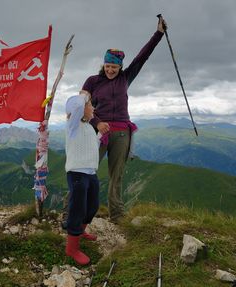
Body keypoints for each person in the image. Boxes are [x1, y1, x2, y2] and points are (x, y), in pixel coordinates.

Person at [81, 17, 167, 223]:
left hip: (121, 133)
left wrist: (159, 34)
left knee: (116, 176)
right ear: (103, 64)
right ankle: (72, 209)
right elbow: (81, 106)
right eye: (108, 66)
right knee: (84, 170)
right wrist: (96, 124)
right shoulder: (92, 81)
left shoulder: (125, 78)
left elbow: (142, 57)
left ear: (120, 68)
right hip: (99, 133)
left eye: (115, 67)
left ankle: (117, 214)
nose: (111, 70)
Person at [64, 93, 100, 265]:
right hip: (77, 173)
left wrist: (101, 135)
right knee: (77, 209)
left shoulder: (88, 127)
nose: (93, 108)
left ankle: (81, 230)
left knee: (92, 206)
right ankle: (71, 249)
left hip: (91, 172)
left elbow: (90, 146)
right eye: (90, 105)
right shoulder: (73, 125)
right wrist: (84, 96)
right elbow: (76, 105)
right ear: (82, 109)